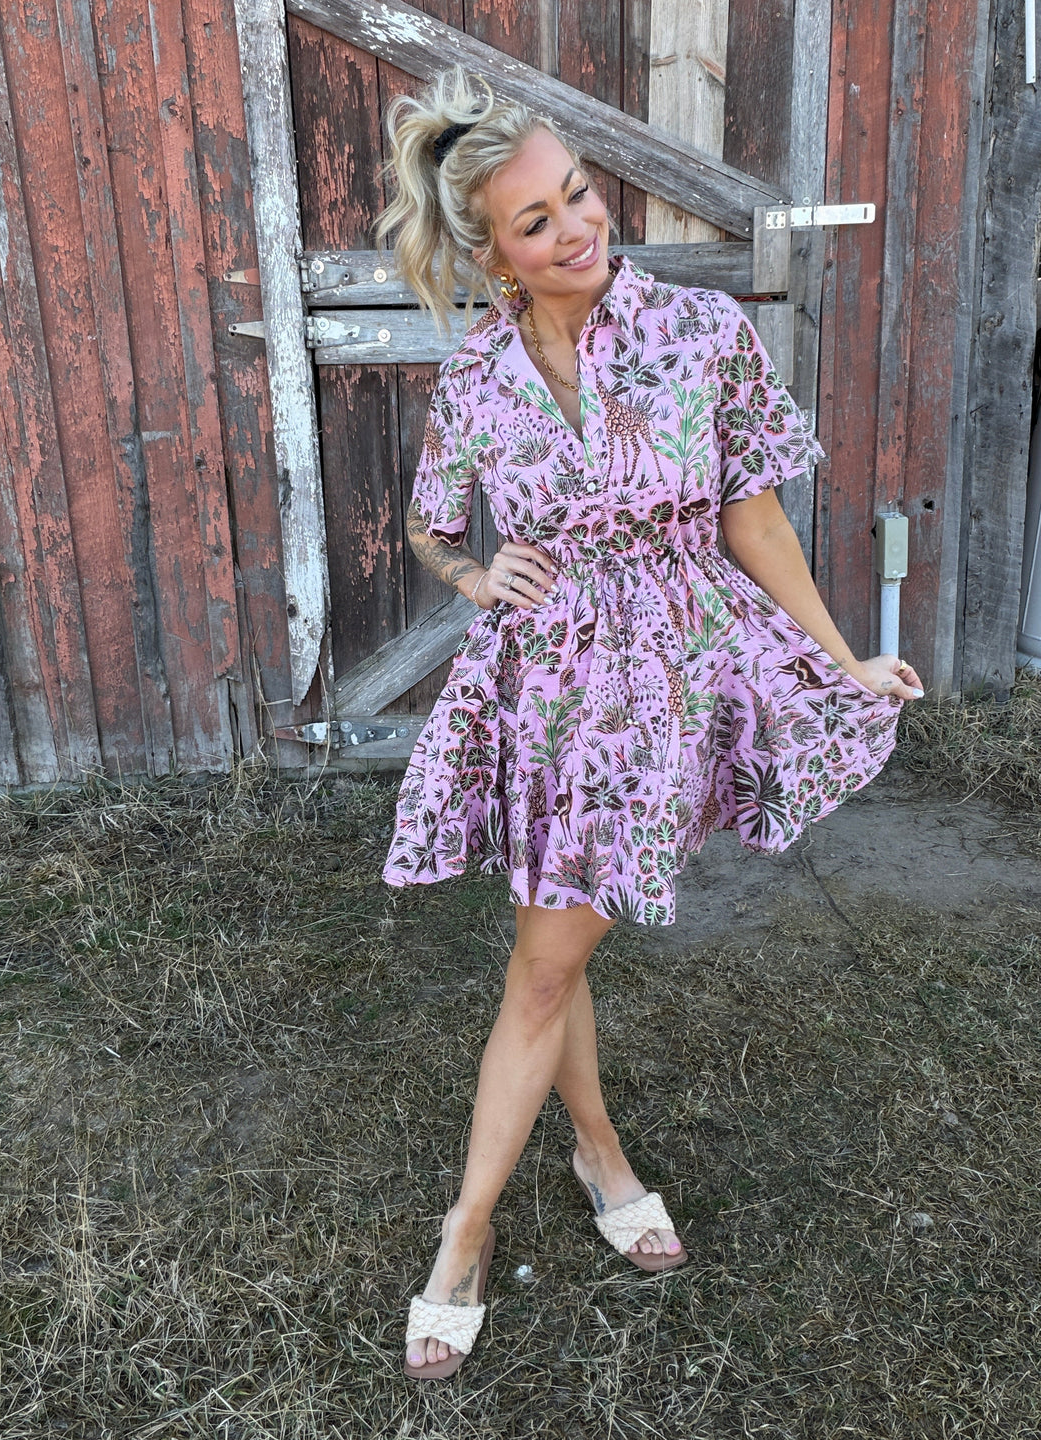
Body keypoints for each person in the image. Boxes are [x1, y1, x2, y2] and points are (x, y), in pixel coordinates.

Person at [377, 66, 924, 1380]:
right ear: (490, 254)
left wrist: (843, 658)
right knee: (549, 954)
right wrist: (469, 576)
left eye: (579, 193)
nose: (579, 228)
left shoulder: (701, 334)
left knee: (544, 960)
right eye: (538, 222)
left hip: (670, 684)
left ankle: (466, 1231)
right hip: (543, 684)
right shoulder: (477, 374)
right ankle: (598, 1159)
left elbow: (752, 514)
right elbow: (429, 522)